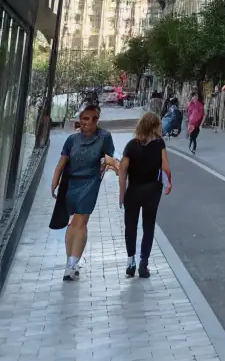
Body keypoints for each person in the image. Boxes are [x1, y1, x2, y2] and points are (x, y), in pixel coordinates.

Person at [50, 103, 117, 281]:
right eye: (86, 118)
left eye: (94, 119)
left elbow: (108, 157)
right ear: (80, 120)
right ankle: (71, 262)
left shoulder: (104, 137)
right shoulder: (72, 140)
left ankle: (71, 265)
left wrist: (111, 164)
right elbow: (62, 162)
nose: (90, 122)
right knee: (74, 223)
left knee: (80, 220)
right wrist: (55, 182)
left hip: (91, 182)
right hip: (72, 183)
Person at [119, 110, 172, 278]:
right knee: (148, 226)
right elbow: (165, 167)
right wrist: (168, 183)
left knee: (130, 226)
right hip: (152, 190)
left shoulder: (131, 145)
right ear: (156, 127)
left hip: (133, 190)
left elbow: (122, 170)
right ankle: (144, 263)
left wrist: (122, 193)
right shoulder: (159, 144)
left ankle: (130, 262)